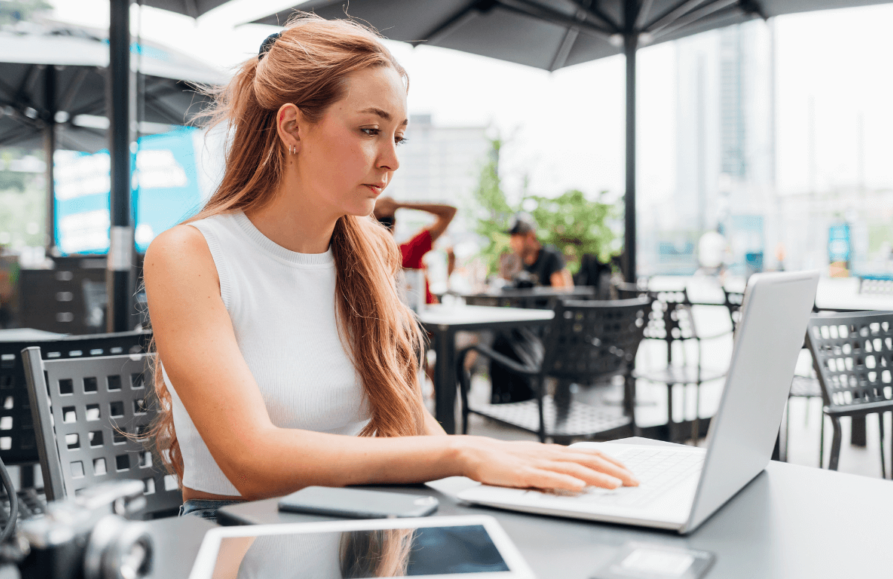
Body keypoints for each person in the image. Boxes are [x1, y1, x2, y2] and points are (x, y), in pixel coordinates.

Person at [143, 17, 637, 524]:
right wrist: (465, 453)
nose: (392, 160)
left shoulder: (369, 252)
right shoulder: (189, 255)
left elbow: (414, 423)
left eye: (397, 136)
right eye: (369, 130)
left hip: (361, 528)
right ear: (292, 127)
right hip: (234, 537)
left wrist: (508, 487)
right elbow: (253, 463)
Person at [372, 196, 456, 304]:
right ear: (395, 223)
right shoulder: (409, 250)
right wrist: (399, 205)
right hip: (424, 316)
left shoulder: (367, 257)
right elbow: (449, 212)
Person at [506, 213, 573, 288]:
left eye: (516, 238)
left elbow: (563, 292)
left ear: (530, 236)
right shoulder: (519, 261)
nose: (512, 243)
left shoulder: (550, 257)